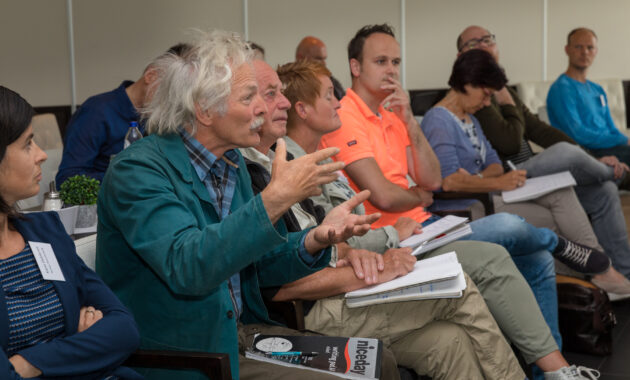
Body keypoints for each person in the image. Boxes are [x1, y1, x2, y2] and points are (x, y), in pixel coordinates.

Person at [95, 30, 400, 380]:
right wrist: (275, 199)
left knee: (380, 361)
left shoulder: (232, 164)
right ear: (205, 110)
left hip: (241, 333)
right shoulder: (138, 171)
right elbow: (188, 266)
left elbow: (255, 265)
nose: (263, 108)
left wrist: (316, 237)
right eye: (249, 96)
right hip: (187, 356)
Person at [319, 23, 600, 380]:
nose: (391, 69)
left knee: (536, 258)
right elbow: (386, 196)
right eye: (380, 61)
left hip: (428, 226)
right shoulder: (345, 116)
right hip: (395, 240)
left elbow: (433, 180)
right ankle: (558, 359)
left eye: (396, 61)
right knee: (508, 236)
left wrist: (409, 120)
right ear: (356, 67)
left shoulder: (392, 114)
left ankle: (549, 372)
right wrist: (418, 195)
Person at [239, 59, 525, 379]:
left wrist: (353, 253)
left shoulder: (285, 160)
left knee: (450, 341)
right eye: (267, 94)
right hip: (309, 310)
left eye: (397, 62)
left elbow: (320, 243)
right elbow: (280, 281)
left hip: (345, 284)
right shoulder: (251, 173)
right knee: (463, 287)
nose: (285, 103)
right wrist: (378, 268)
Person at [421, 49, 630, 295]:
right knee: (556, 220)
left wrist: (479, 178)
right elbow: (449, 183)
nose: (487, 103)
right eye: (486, 94)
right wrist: (491, 180)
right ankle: (593, 276)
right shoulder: (438, 121)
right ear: (467, 83)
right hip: (471, 208)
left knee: (561, 193)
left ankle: (597, 274)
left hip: (489, 195)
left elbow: (494, 163)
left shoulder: (471, 120)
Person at [0, 86, 141, 379]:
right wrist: (80, 350)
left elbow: (124, 329)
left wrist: (29, 363)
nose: (41, 155)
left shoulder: (44, 230)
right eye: (27, 144)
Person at [55, 43, 190, 186]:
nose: (174, 99)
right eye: (170, 89)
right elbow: (67, 178)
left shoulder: (160, 117)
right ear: (151, 76)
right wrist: (127, 176)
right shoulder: (96, 111)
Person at [547, 27, 630, 167]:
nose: (584, 52)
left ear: (596, 51)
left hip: (612, 148)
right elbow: (578, 134)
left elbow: (611, 127)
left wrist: (624, 139)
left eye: (590, 47)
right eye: (578, 47)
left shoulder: (597, 89)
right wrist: (621, 140)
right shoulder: (561, 89)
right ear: (567, 50)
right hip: (588, 152)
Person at [296, 36, 346, 100]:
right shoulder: (289, 84)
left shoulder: (332, 82)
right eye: (318, 59)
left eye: (324, 59)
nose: (324, 63)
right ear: (300, 58)